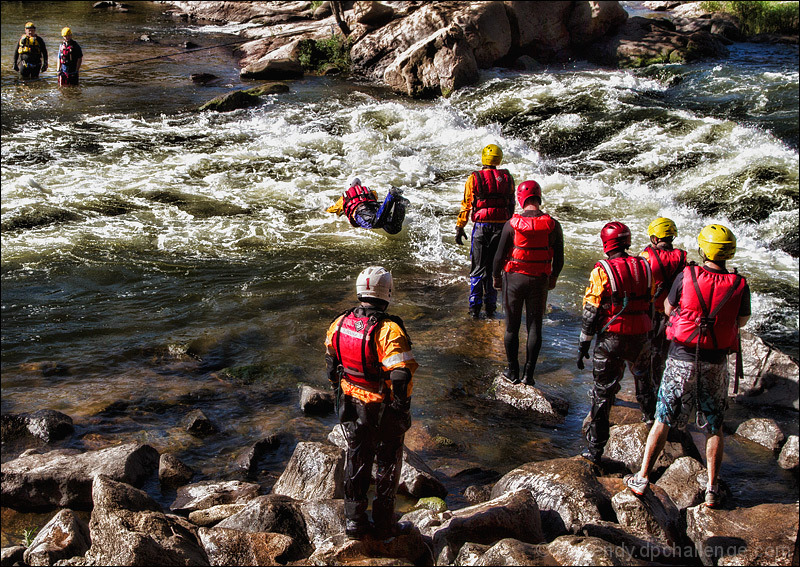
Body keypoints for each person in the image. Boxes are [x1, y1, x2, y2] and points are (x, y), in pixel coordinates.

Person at [624, 224, 750, 508]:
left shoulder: (688, 273)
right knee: (714, 426)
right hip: (716, 362)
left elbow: (668, 308)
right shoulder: (740, 284)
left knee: (663, 418)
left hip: (682, 356)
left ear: (703, 248)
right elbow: (741, 322)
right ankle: (712, 489)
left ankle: (642, 478)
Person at [324, 266, 418, 540]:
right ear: (387, 293)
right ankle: (383, 523)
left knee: (357, 458)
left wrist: (336, 389)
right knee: (388, 464)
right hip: (382, 407)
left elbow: (332, 364)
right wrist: (401, 408)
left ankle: (354, 521)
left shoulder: (339, 323)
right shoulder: (389, 330)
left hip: (352, 403)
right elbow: (400, 375)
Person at [578, 221, 656, 464]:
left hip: (612, 338)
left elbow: (591, 311)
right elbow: (650, 302)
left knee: (602, 394)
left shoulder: (602, 270)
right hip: (641, 334)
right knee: (644, 378)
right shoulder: (645, 265)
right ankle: (651, 420)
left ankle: (595, 450)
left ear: (606, 243)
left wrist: (583, 345)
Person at [492, 180, 564, 385]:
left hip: (514, 279)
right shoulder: (553, 225)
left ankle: (512, 372)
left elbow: (499, 256)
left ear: (521, 199)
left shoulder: (511, 224)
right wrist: (554, 278)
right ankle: (529, 375)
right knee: (535, 327)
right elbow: (559, 258)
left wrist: (496, 277)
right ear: (539, 197)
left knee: (512, 328)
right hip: (539, 280)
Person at [455, 144, 515, 319]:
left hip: (481, 227)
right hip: (502, 227)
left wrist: (460, 227)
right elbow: (511, 204)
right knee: (494, 268)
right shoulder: (508, 178)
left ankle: (474, 308)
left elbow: (466, 204)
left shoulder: (474, 178)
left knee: (477, 269)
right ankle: (490, 308)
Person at [639, 218, 687, 390]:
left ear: (654, 238)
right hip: (672, 313)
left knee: (649, 352)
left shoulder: (647, 257)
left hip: (651, 312)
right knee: (665, 353)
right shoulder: (682, 257)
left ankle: (650, 388)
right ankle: (664, 385)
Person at [327, 177, 408, 235]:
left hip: (361, 212)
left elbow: (333, 210)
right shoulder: (370, 191)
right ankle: (400, 204)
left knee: (375, 223)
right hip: (375, 207)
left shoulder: (343, 198)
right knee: (394, 229)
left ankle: (392, 195)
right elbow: (374, 199)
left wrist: (325, 210)